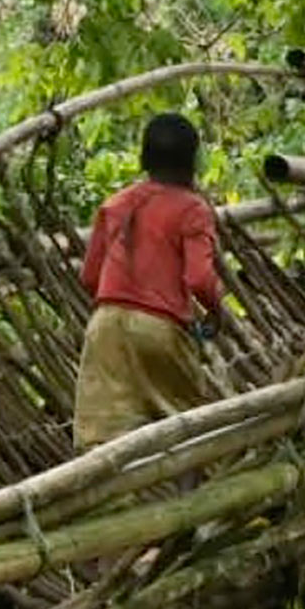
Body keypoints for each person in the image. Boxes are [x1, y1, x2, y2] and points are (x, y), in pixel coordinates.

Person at [72, 111, 223, 451]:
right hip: (159, 326)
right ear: (192, 162)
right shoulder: (192, 209)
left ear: (143, 159)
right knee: (187, 425)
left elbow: (90, 277)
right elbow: (199, 278)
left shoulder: (115, 205)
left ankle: (110, 501)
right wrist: (216, 311)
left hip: (105, 324)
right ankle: (191, 498)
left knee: (102, 433)